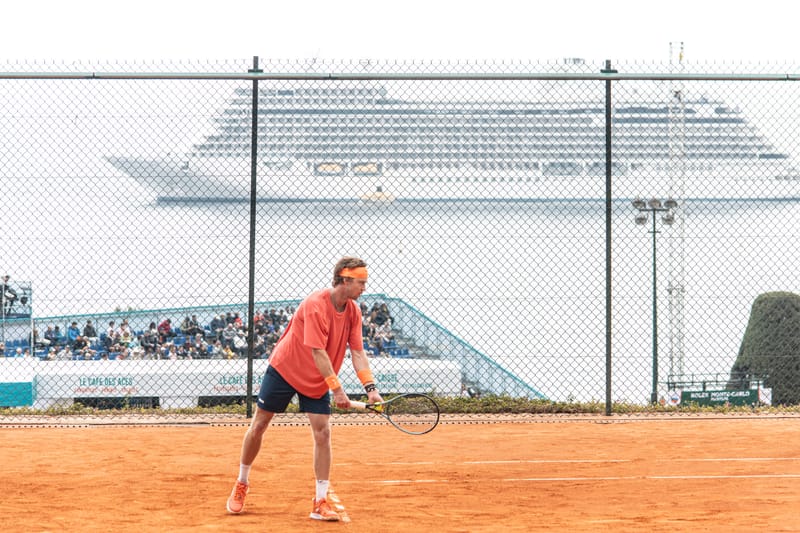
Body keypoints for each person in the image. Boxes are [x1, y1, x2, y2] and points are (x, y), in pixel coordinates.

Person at [226, 257, 382, 521]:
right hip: (286, 369)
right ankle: (242, 482)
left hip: (317, 379)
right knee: (260, 425)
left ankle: (320, 501)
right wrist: (338, 390)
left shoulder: (354, 311)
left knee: (323, 433)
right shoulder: (315, 305)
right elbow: (318, 352)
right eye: (361, 282)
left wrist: (371, 388)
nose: (364, 288)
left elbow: (357, 351)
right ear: (344, 280)